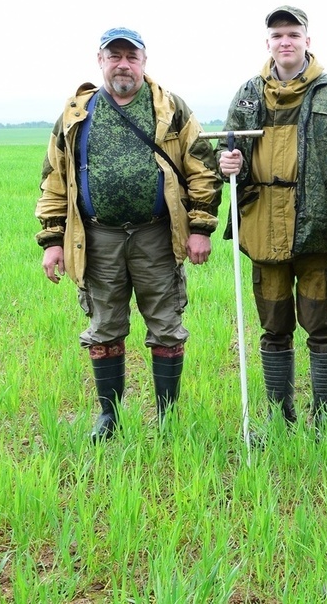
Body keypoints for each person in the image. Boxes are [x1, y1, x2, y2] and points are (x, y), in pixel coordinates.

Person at [35, 27, 222, 442]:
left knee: (167, 325)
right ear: (100, 60)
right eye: (114, 55)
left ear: (144, 61)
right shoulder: (76, 114)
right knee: (104, 327)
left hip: (156, 235)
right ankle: (110, 417)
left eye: (131, 56)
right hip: (97, 238)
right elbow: (53, 178)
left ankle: (168, 418)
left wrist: (200, 227)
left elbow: (202, 169)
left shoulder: (170, 108)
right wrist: (52, 240)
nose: (123, 64)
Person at [218, 6, 327, 432]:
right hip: (264, 230)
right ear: (269, 43)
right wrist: (228, 163)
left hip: (318, 234)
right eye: (278, 35)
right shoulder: (248, 94)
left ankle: (325, 420)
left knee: (321, 328)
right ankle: (280, 419)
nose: (286, 41)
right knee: (274, 329)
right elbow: (228, 155)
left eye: (293, 34)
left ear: (307, 41)